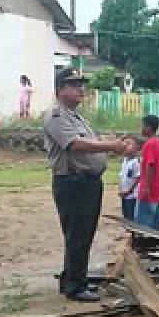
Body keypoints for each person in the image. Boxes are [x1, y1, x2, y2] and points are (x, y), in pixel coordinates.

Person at [42, 68, 128, 302]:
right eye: (74, 85)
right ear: (60, 89)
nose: (81, 89)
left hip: (86, 182)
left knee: (81, 234)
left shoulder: (75, 116)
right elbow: (76, 145)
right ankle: (76, 286)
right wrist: (110, 146)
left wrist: (110, 146)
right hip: (73, 183)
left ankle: (71, 276)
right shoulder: (56, 116)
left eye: (81, 84)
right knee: (78, 234)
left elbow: (89, 145)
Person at [135, 115, 159, 230]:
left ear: (148, 127)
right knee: (154, 218)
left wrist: (146, 186)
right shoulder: (157, 143)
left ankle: (145, 244)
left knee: (143, 222)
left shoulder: (150, 144)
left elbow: (150, 165)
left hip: (150, 186)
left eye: (142, 126)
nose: (141, 128)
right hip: (157, 185)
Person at [118, 136, 140, 221]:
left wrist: (129, 190)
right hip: (124, 194)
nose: (126, 146)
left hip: (133, 195)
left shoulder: (136, 162)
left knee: (132, 215)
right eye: (124, 144)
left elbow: (138, 178)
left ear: (137, 148)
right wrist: (120, 188)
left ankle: (134, 233)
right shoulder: (125, 161)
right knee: (126, 214)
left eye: (129, 144)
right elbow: (121, 175)